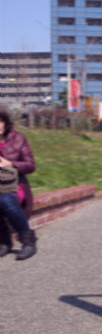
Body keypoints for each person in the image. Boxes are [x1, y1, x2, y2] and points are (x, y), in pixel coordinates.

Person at [0, 109, 37, 260]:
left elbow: (31, 165)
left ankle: (28, 242)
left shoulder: (18, 138)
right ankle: (4, 243)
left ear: (6, 123)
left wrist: (11, 164)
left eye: (0, 121)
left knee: (5, 200)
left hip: (16, 185)